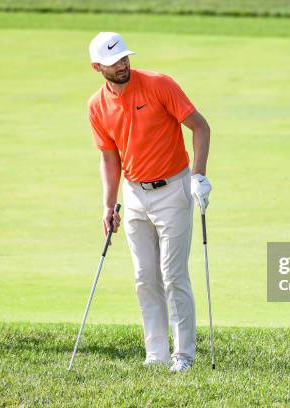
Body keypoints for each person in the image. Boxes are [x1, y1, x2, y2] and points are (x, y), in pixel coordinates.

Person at [87, 32, 212, 372]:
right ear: (98, 67)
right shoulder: (97, 105)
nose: (123, 64)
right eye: (114, 63)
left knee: (172, 275)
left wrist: (198, 176)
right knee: (144, 277)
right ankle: (155, 354)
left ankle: (183, 355)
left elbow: (200, 127)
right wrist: (108, 205)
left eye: (125, 57)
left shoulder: (159, 84)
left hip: (174, 190)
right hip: (134, 194)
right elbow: (110, 159)